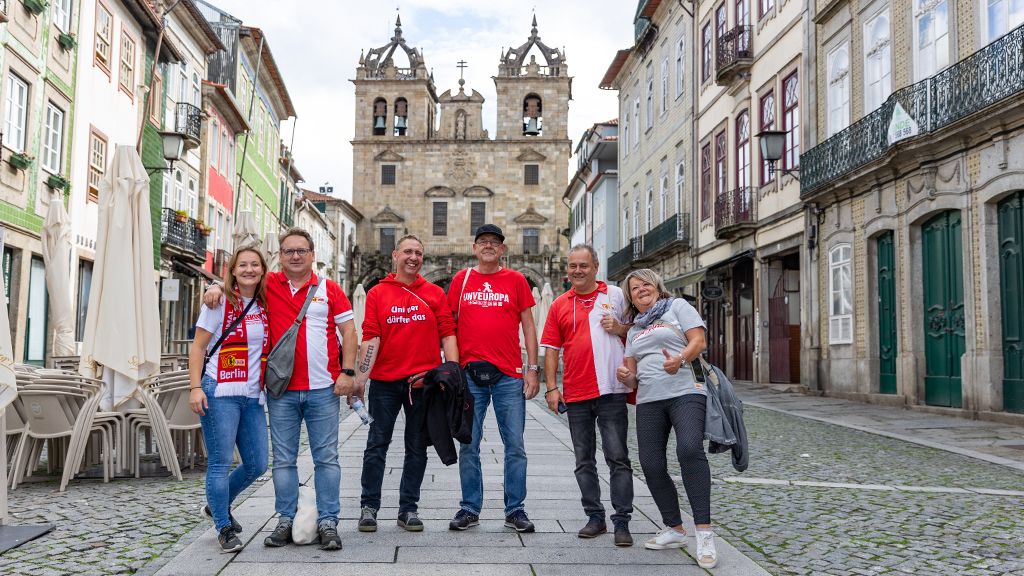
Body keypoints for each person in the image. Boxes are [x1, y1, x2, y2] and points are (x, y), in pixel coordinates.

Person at [205, 228, 357, 551]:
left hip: (324, 389)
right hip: (281, 391)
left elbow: (349, 331)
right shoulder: (270, 285)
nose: (295, 256)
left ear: (313, 255)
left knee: (327, 459)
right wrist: (216, 287)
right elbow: (240, 284)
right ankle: (285, 519)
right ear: (281, 257)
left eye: (302, 250)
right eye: (289, 251)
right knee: (284, 460)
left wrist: (348, 372)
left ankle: (328, 521)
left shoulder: (330, 289)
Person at [354, 235, 458, 533]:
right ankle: (369, 506)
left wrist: (450, 373)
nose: (413, 257)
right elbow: (371, 334)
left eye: (419, 253)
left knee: (416, 447)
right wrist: (362, 377)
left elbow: (448, 333)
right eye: (408, 252)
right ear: (395, 255)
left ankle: (408, 508)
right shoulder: (377, 293)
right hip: (385, 383)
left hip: (421, 384)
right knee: (377, 444)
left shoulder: (435, 293)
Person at [615, 268, 717, 569]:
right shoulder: (634, 330)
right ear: (631, 298)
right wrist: (627, 376)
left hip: (686, 390)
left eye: (645, 284)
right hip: (649, 399)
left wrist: (680, 360)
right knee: (651, 464)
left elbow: (699, 341)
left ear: (657, 286)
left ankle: (704, 534)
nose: (641, 290)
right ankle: (674, 528)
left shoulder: (677, 307)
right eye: (634, 288)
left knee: (689, 450)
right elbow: (632, 377)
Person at [447, 223, 540, 533]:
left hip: (509, 375)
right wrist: (451, 368)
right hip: (469, 375)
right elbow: (449, 326)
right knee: (468, 445)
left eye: (494, 242)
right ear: (475, 248)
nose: (488, 246)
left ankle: (515, 510)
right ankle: (469, 508)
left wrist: (532, 368)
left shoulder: (515, 280)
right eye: (483, 241)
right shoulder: (462, 280)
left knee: (515, 445)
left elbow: (528, 326)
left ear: (502, 249)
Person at [540, 245, 634, 547]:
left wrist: (619, 327)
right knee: (583, 460)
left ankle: (622, 521)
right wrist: (552, 388)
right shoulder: (558, 304)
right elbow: (551, 349)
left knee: (618, 457)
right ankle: (595, 517)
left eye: (583, 265)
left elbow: (638, 331)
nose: (577, 271)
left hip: (611, 390)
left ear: (595, 266)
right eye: (572, 266)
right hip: (576, 392)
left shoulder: (616, 296)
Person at [189, 247, 270, 553]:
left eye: (255, 264)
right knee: (221, 463)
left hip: (251, 395)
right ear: (233, 270)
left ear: (262, 270)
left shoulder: (264, 303)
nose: (249, 269)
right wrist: (195, 387)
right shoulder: (218, 302)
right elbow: (198, 348)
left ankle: (216, 504)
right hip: (219, 391)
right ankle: (223, 526)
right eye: (242, 265)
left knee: (257, 464)